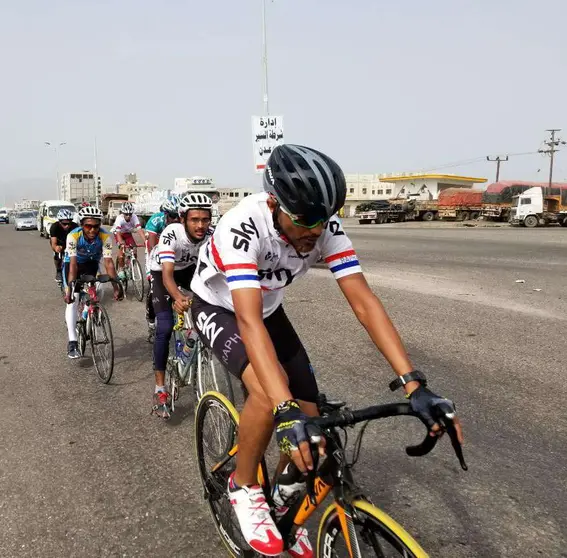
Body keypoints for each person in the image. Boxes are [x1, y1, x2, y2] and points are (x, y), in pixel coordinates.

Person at [190, 144, 464, 557]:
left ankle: (284, 500)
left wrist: (414, 383)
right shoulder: (242, 226)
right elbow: (247, 320)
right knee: (270, 396)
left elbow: (363, 302)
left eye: (324, 219)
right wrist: (283, 408)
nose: (315, 231)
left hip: (268, 307)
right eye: (304, 220)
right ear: (273, 202)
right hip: (221, 306)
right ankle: (243, 485)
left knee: (311, 419)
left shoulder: (324, 227)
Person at [148, 193, 213, 418]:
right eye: (195, 220)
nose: (200, 225)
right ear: (183, 218)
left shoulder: (212, 236)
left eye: (205, 220)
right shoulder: (170, 233)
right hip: (162, 272)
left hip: (188, 271)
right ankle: (160, 389)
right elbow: (167, 276)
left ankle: (189, 347)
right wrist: (177, 297)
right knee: (165, 328)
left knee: (209, 310)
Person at [63, 206, 123, 359]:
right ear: (82, 225)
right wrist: (69, 288)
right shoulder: (73, 236)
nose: (92, 230)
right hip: (73, 265)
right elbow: (73, 265)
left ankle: (90, 311)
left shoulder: (104, 236)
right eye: (88, 226)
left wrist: (116, 286)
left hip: (91, 264)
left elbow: (109, 263)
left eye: (96, 226)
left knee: (100, 289)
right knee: (73, 300)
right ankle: (73, 342)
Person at [143, 197, 181, 340]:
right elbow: (152, 247)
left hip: (173, 251)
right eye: (172, 216)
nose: (175, 219)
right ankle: (151, 320)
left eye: (178, 216)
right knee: (154, 287)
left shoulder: (181, 223)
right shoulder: (155, 220)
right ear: (165, 214)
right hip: (155, 254)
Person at [111, 202, 146, 280]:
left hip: (128, 234)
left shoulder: (134, 217)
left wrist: (145, 241)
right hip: (118, 233)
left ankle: (129, 267)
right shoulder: (119, 218)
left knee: (134, 250)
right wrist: (121, 243)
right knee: (122, 250)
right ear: (123, 213)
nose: (128, 216)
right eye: (126, 214)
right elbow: (118, 233)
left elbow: (139, 230)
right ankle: (121, 269)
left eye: (130, 214)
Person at [49, 208, 75, 283]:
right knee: (57, 254)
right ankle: (59, 271)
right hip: (59, 243)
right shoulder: (54, 227)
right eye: (64, 224)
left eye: (69, 223)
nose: (67, 226)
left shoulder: (75, 226)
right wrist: (56, 248)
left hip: (71, 242)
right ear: (59, 222)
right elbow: (54, 243)